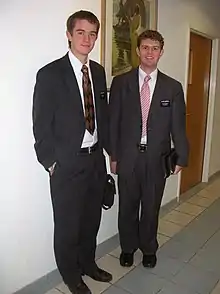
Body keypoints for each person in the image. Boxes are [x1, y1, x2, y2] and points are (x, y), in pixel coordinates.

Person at [32, 10, 112, 294]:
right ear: (69, 35)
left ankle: (88, 264)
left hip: (94, 162)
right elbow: (41, 124)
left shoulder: (99, 72)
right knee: (67, 225)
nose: (87, 39)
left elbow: (102, 114)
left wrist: (109, 153)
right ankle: (71, 276)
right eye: (81, 32)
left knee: (91, 219)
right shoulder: (50, 74)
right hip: (66, 165)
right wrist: (50, 162)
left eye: (92, 33)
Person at [109, 30, 189, 269]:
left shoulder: (172, 87)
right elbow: (114, 123)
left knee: (151, 208)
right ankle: (127, 248)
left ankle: (149, 249)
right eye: (145, 47)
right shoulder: (121, 83)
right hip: (127, 158)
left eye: (155, 48)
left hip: (157, 159)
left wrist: (182, 157)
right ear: (137, 50)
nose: (150, 52)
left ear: (161, 52)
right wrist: (113, 156)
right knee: (127, 208)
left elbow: (178, 126)